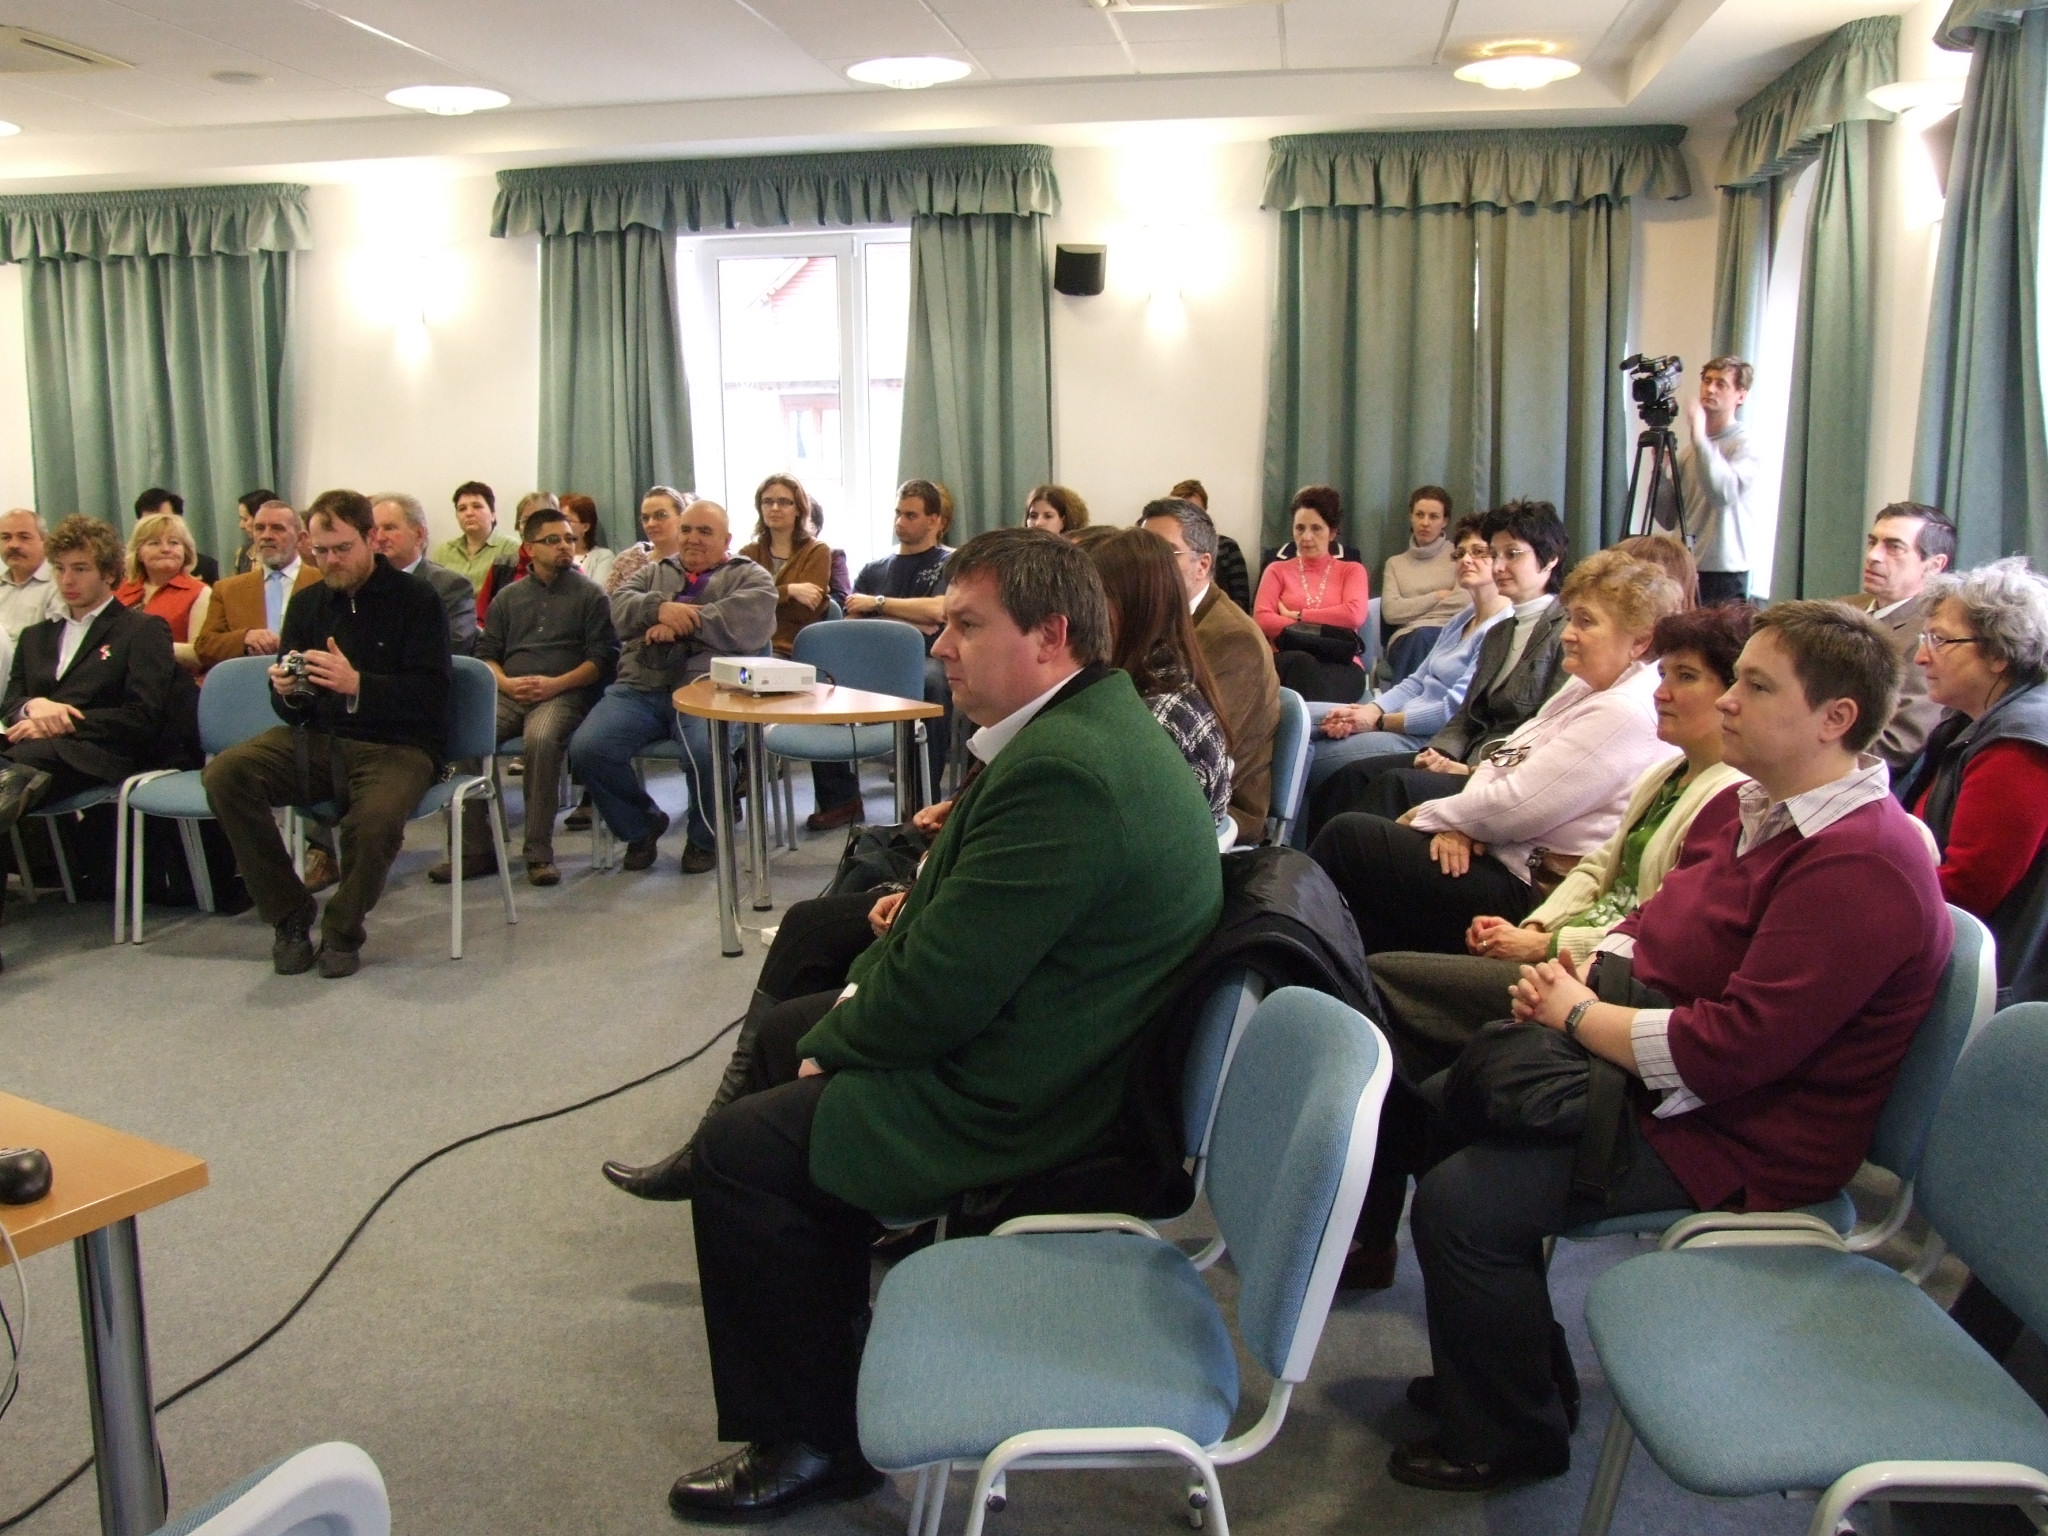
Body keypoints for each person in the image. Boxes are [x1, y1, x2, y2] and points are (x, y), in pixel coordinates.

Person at [664, 528, 1224, 1524]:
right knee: (790, 1036)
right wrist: (838, 1024)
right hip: (1051, 1037)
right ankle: (822, 1308)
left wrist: (836, 1045)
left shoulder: (1070, 770)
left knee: (741, 1152)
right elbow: (944, 934)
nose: (940, 647)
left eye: (967, 626)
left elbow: (940, 992)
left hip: (1037, 1092)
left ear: (1051, 637)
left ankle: (815, 1442)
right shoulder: (1078, 727)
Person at [1392, 601, 1951, 1493]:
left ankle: (1511, 1436)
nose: (1727, 701)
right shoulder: (1753, 806)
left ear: (1834, 718)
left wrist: (1575, 1014)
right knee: (1440, 1113)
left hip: (1745, 1136)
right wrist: (1578, 975)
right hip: (1666, 1067)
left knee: (1466, 1206)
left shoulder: (1862, 864)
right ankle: (1517, 1379)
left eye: (1755, 687)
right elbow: (1652, 922)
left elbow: (1728, 1053)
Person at [1348, 604, 1753, 1291]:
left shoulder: (1729, 797)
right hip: (1567, 937)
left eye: (1686, 678)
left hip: (1603, 979)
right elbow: (1599, 869)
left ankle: (1381, 1214)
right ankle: (1393, 1199)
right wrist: (1538, 930)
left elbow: (1654, 922)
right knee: (1375, 853)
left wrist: (1547, 946)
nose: (1662, 691)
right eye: (1663, 674)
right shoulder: (1673, 774)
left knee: (1384, 980)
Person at [1311, 549, 1682, 959]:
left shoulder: (1624, 710)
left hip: (1528, 885)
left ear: (1640, 641)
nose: (1567, 633)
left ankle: (1319, 967)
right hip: (1501, 845)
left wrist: (1435, 816)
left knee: (1349, 840)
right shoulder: (1590, 684)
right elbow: (1506, 756)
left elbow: (1520, 805)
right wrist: (1463, 824)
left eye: (1586, 622)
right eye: (1571, 618)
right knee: (1370, 827)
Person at [201, 490, 452, 980]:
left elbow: (433, 697)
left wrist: (359, 684)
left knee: (374, 822)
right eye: (320, 550)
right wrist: (285, 690)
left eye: (342, 548)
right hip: (318, 736)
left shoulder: (417, 600)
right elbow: (291, 705)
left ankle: (342, 928)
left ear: (372, 539)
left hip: (398, 746)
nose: (331, 560)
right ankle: (289, 913)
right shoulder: (308, 603)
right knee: (226, 774)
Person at [1307, 499, 1570, 835]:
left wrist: (1469, 768)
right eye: (1496, 553)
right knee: (1343, 771)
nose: (1499, 565)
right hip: (1456, 751)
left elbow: (1545, 727)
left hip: (1492, 770)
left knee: (1369, 783)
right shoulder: (1503, 630)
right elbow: (1466, 712)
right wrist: (1441, 752)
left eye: (1512, 554)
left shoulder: (1562, 632)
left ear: (1550, 559)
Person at [567, 492, 776, 874]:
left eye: (705, 531)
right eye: (687, 530)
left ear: (726, 540)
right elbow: (619, 607)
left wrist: (678, 622)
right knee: (587, 748)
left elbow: (746, 623)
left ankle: (704, 838)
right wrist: (658, 608)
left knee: (707, 752)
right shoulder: (653, 571)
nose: (693, 538)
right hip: (640, 687)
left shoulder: (751, 576)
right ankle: (641, 825)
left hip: (708, 688)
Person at [1904, 557, 2048, 1006]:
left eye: (1940, 640)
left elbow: (1966, 893)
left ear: (2000, 654)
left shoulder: (2017, 747)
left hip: (1990, 989)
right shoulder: (1973, 721)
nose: (1921, 656)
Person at [455, 505, 619, 887]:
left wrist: (555, 684)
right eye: (553, 540)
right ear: (529, 548)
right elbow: (486, 653)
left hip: (564, 692)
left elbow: (602, 660)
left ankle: (538, 853)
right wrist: (505, 683)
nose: (565, 546)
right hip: (511, 690)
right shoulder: (508, 598)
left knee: (541, 739)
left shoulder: (590, 595)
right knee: (466, 739)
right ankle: (476, 851)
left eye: (569, 539)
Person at [1306, 514, 1513, 805]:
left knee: (1309, 753)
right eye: (1460, 553)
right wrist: (1372, 708)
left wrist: (1377, 721)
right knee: (1290, 713)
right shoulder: (1461, 619)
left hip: (1425, 738)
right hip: (1397, 719)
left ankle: (1287, 829)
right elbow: (1415, 681)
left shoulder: (1501, 628)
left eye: (1479, 552)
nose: (1466, 560)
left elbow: (1450, 712)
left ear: (1500, 560)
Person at [0, 515, 175, 833]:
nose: (67, 580)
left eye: (80, 569)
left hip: (99, 752)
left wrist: (61, 722)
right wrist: (32, 706)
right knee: (17, 769)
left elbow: (143, 715)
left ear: (109, 574)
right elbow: (10, 702)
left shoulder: (141, 630)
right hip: (34, 751)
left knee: (18, 772)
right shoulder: (35, 636)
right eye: (59, 568)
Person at [1140, 497, 1279, 842]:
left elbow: (1199, 748)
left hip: (1223, 809)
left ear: (1202, 565)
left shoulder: (1232, 638)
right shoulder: (1162, 617)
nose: (1147, 566)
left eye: (1164, 553)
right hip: (1169, 784)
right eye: (1142, 551)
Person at [1084, 528, 1233, 823]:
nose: (1082, 614)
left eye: (1094, 599)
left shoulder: (1156, 722)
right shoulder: (1163, 674)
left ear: (1135, 607)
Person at [843, 478, 956, 806]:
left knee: (933, 684)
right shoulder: (874, 569)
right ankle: (839, 800)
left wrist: (878, 605)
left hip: (927, 657)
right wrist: (911, 618)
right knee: (825, 680)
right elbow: (851, 623)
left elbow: (938, 610)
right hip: (873, 660)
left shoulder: (949, 563)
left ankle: (922, 801)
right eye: (898, 513)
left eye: (910, 515)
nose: (899, 522)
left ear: (934, 520)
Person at [1836, 502, 1954, 779]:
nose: (1873, 556)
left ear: (1934, 565)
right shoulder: (1841, 608)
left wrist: (1797, 752)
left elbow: (1896, 744)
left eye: (1894, 547)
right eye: (1872, 542)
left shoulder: (1934, 636)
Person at [1254, 485, 1372, 703]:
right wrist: (1328, 625)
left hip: (1340, 662)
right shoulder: (1276, 570)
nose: (1306, 537)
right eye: (1300, 528)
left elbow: (1354, 615)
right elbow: (1263, 619)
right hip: (1289, 658)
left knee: (1314, 680)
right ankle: (1322, 720)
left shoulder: (1352, 570)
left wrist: (1300, 616)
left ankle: (1311, 721)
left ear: (1332, 532)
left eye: (1316, 528)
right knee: (1301, 664)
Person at [194, 500, 319, 671]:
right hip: (248, 680)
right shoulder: (227, 590)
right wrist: (244, 638)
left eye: (277, 528)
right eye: (260, 528)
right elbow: (204, 646)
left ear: (300, 538)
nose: (266, 535)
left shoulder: (323, 583)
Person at [1675, 356, 1760, 606]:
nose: (1710, 389)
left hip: (1724, 574)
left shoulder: (1746, 445)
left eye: (1721, 384)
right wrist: (1660, 472)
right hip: (1687, 568)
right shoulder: (1691, 451)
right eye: (1707, 381)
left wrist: (1700, 439)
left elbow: (1722, 494)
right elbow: (1668, 516)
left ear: (1740, 396)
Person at [369, 493, 479, 655]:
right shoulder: (364, 584)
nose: (379, 538)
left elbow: (454, 647)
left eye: (390, 528)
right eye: (374, 530)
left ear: (419, 534)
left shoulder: (450, 586)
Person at [1381, 486, 1466, 682]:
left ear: (1445, 521)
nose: (1425, 523)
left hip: (1451, 633)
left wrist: (1411, 609)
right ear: (1411, 516)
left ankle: (1402, 700)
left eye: (1433, 516)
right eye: (1419, 515)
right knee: (1419, 637)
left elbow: (1464, 602)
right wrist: (1437, 596)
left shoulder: (1459, 555)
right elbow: (1391, 612)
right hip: (1406, 638)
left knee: (1425, 638)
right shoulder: (1395, 564)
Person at [116, 512, 211, 672]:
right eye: (154, 543)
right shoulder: (119, 590)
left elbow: (199, 654)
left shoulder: (201, 593)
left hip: (174, 680)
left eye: (174, 543)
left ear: (185, 551)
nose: (166, 549)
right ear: (138, 553)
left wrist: (146, 645)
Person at [1170, 478, 1252, 612]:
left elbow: (1241, 603)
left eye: (1196, 512)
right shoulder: (1163, 549)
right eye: (1182, 513)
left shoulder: (1227, 547)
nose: (1189, 519)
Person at [0, 508, 57, 689]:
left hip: (28, 683)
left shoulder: (58, 586)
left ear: (44, 541)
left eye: (24, 537)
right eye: (6, 538)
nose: (13, 545)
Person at [431, 480, 517, 594]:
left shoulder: (510, 549)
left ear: (493, 514)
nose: (469, 513)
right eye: (462, 509)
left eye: (477, 506)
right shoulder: (444, 551)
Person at [132, 489, 220, 583]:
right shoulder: (125, 572)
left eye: (165, 519)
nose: (159, 526)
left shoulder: (205, 567)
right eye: (150, 522)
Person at [561, 492, 614, 591]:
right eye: (559, 520)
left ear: (585, 527)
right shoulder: (553, 554)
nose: (561, 526)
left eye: (567, 521)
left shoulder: (603, 557)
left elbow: (596, 592)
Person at [1023, 483, 1089, 537]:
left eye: (1048, 516)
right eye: (1033, 516)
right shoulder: (1019, 548)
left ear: (1064, 522)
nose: (1038, 523)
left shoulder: (1079, 549)